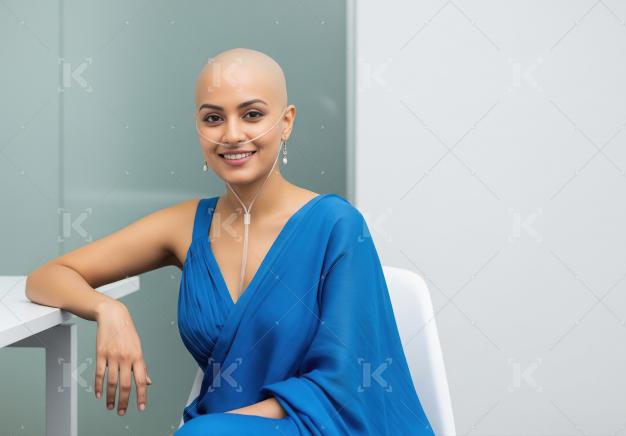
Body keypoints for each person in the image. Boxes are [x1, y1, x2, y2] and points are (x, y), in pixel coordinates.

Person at [25, 47, 435, 435]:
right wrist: (108, 310)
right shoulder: (185, 225)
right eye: (213, 118)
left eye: (252, 114)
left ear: (287, 121)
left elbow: (346, 383)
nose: (232, 134)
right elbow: (47, 277)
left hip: (319, 425)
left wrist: (217, 428)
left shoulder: (336, 224)